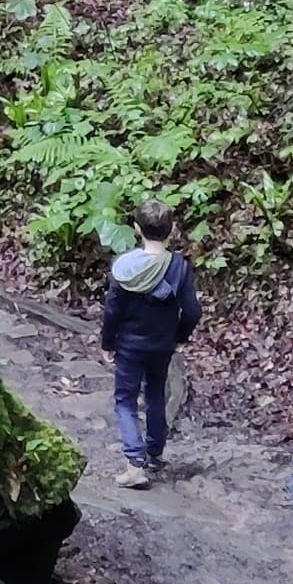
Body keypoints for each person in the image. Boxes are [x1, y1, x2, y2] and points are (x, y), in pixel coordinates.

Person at [97, 200, 201, 489]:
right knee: (155, 393)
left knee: (125, 401)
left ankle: (134, 463)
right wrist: (178, 337)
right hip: (162, 345)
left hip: (129, 345)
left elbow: (112, 310)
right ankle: (155, 452)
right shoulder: (179, 267)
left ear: (136, 230)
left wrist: (108, 343)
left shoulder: (125, 268)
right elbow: (192, 311)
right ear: (172, 230)